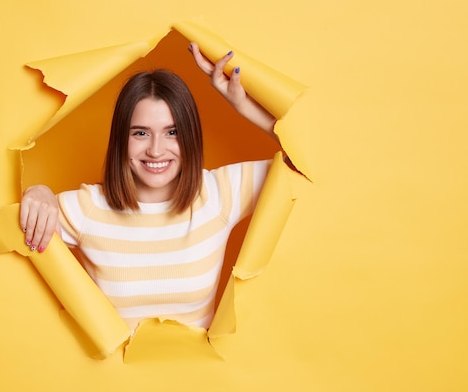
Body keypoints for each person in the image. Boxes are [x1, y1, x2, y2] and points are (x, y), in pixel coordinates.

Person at [19, 43, 279, 331]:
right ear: (121, 139)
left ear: (190, 137)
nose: (156, 150)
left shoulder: (219, 195)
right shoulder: (87, 208)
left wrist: (242, 103)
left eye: (172, 132)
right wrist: (37, 193)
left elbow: (306, 165)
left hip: (201, 374)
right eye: (141, 133)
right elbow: (15, 230)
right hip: (109, 376)